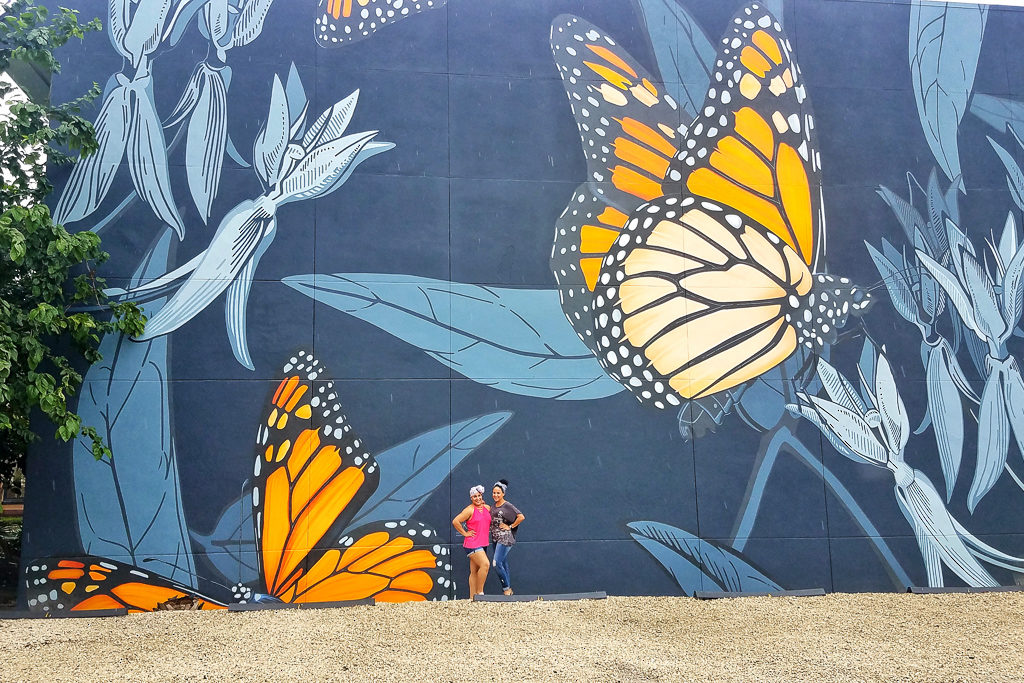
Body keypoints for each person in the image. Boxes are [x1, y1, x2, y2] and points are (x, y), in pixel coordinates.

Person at [452, 485, 490, 597]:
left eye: (479, 496)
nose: (477, 498)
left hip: (483, 543)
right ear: (471, 498)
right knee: (485, 564)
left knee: (474, 572)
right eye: (474, 496)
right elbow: (455, 521)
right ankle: (480, 593)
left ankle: (472, 597)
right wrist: (465, 533)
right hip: (472, 543)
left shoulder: (486, 508)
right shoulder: (469, 510)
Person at [489, 479, 524, 596]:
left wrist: (510, 526)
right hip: (495, 538)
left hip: (505, 538)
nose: (495, 495)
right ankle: (509, 591)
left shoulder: (507, 505)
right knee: (503, 564)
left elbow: (521, 516)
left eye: (498, 493)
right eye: (494, 492)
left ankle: (506, 589)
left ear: (503, 493)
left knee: (496, 563)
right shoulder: (493, 506)